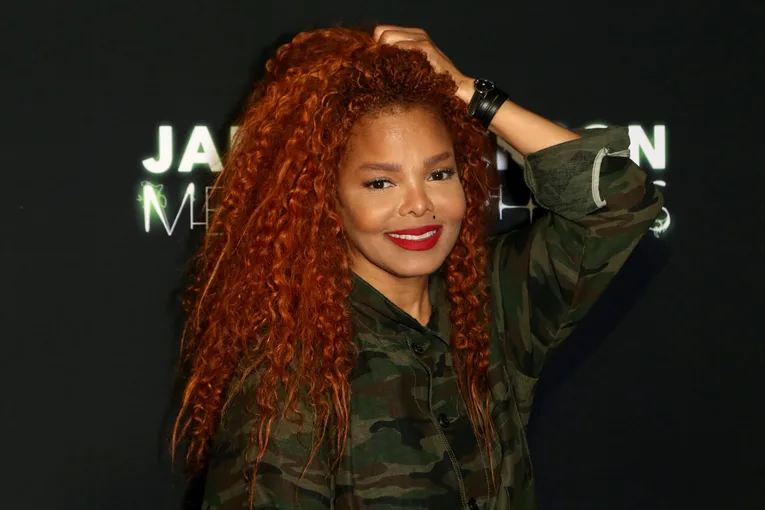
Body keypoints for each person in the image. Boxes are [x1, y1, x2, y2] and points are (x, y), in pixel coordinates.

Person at [171, 24, 664, 510]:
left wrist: (471, 94)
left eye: (439, 173)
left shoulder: (492, 302)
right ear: (327, 200)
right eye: (380, 183)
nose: (419, 204)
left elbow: (620, 201)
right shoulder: (291, 380)